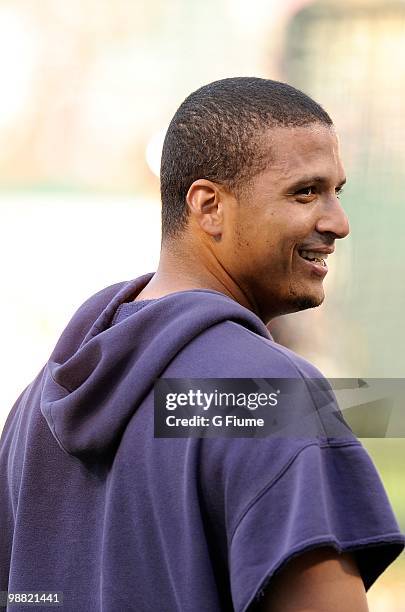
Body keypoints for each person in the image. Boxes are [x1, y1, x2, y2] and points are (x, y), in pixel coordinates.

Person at [0, 77, 403, 612]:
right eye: (306, 192)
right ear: (209, 206)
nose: (338, 222)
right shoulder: (272, 398)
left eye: (337, 192)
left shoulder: (36, 407)